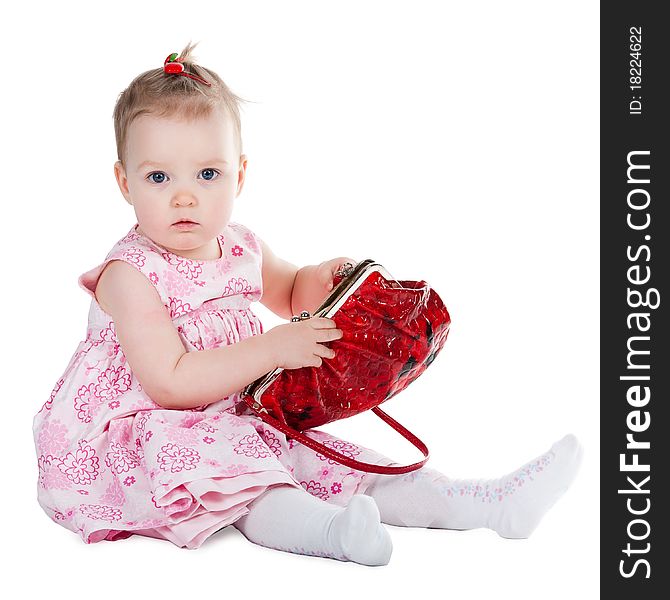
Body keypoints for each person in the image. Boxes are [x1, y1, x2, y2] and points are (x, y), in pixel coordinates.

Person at [32, 41, 583, 566]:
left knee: (332, 460)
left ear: (239, 174)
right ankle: (330, 534)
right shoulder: (129, 275)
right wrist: (273, 350)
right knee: (245, 479)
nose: (185, 196)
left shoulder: (241, 246)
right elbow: (170, 382)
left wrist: (319, 282)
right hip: (150, 425)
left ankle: (483, 502)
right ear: (124, 183)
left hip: (234, 407)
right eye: (158, 177)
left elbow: (288, 288)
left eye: (207, 174)